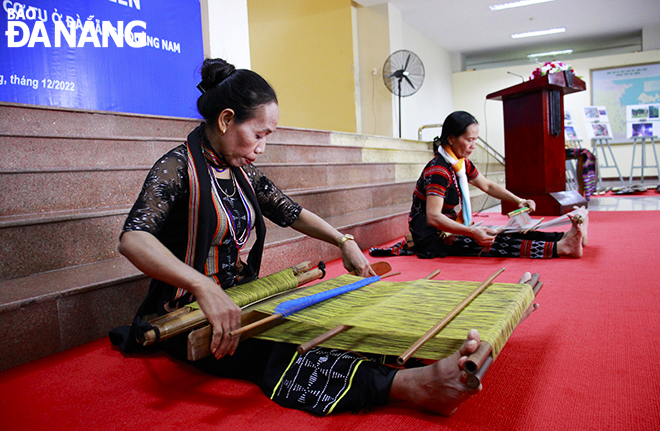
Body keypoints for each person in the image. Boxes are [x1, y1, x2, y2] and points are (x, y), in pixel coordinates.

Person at [110, 58, 484, 416]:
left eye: (267, 136)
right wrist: (203, 287)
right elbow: (133, 239)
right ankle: (408, 386)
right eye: (258, 134)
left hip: (240, 294)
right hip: (188, 310)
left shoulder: (242, 172)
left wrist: (343, 241)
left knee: (319, 319)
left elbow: (291, 212)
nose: (262, 147)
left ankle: (408, 359)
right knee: (278, 348)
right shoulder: (177, 168)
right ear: (226, 120)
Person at [401, 110, 587, 260]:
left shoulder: (460, 163)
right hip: (432, 236)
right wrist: (472, 231)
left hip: (451, 226)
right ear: (451, 138)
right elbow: (433, 217)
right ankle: (561, 248)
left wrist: (518, 200)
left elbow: (487, 186)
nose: (473, 145)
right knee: (491, 242)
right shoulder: (438, 171)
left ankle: (564, 237)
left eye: (476, 140)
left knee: (503, 233)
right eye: (469, 140)